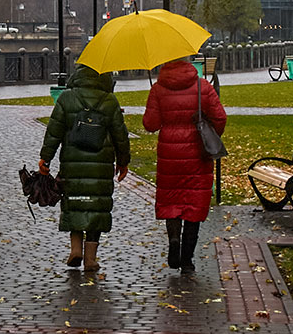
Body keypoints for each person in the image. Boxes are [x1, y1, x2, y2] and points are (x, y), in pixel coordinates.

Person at [38, 64, 131, 272]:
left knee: (75, 203)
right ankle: (90, 259)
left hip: (72, 163)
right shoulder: (109, 101)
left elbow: (54, 131)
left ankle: (75, 250)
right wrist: (123, 161)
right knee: (95, 207)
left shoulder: (66, 98)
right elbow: (120, 135)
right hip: (101, 164)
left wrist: (46, 158)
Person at [143, 57, 227, 274]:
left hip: (169, 152)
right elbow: (220, 117)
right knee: (193, 204)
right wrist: (209, 132)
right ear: (188, 63)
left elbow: (150, 125)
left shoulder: (158, 89)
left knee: (172, 199)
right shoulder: (203, 87)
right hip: (197, 152)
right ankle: (187, 260)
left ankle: (173, 240)